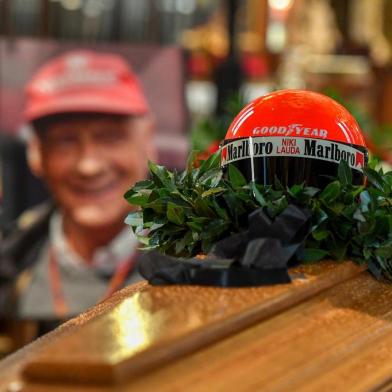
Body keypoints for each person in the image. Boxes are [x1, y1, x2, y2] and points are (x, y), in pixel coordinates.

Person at [0, 50, 156, 341]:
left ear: (148, 140)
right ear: (36, 153)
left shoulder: (197, 261)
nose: (89, 165)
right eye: (65, 140)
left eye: (110, 136)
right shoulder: (11, 260)